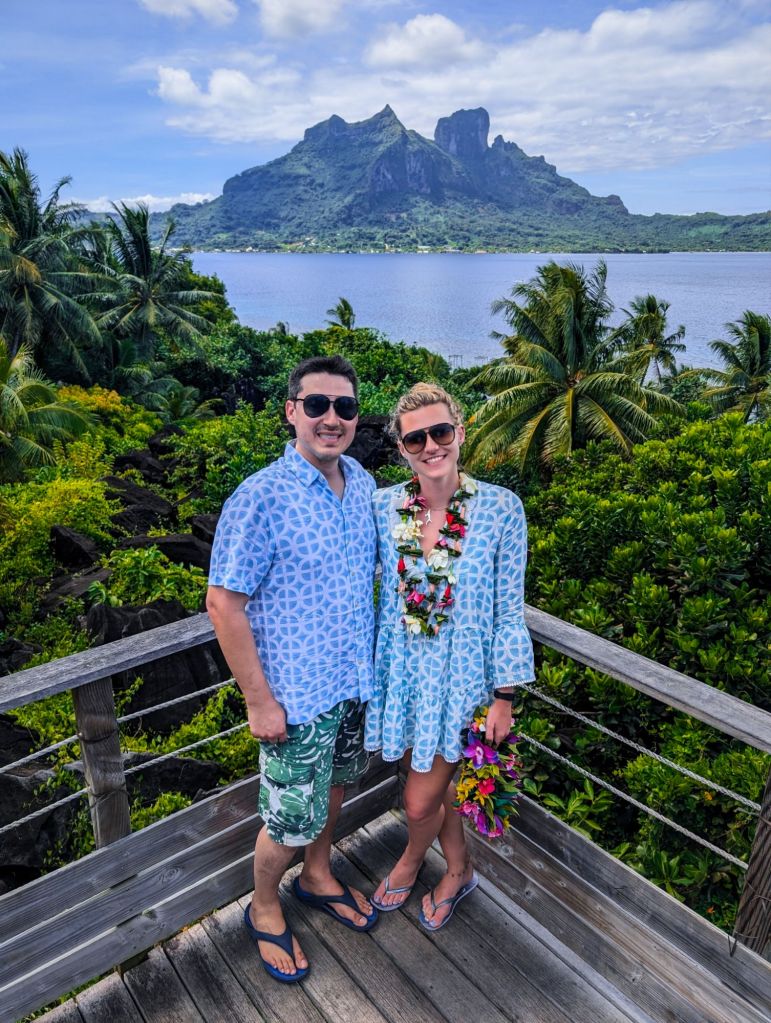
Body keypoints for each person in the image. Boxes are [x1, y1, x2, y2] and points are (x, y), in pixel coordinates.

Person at [206, 355, 378, 984]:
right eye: (318, 405)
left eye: (345, 407)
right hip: (296, 695)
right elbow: (224, 603)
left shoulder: (359, 481)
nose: (332, 418)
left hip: (351, 684)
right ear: (292, 411)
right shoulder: (261, 497)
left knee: (335, 790)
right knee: (287, 818)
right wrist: (258, 701)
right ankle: (265, 904)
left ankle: (318, 874)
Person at [364, 382, 535, 929]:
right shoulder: (383, 506)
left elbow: (510, 609)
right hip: (405, 678)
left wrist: (504, 697)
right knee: (431, 789)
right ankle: (458, 869)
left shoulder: (502, 509)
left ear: (460, 434)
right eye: (416, 439)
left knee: (417, 802)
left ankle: (412, 860)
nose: (430, 446)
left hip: (463, 682)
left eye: (440, 432)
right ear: (402, 449)